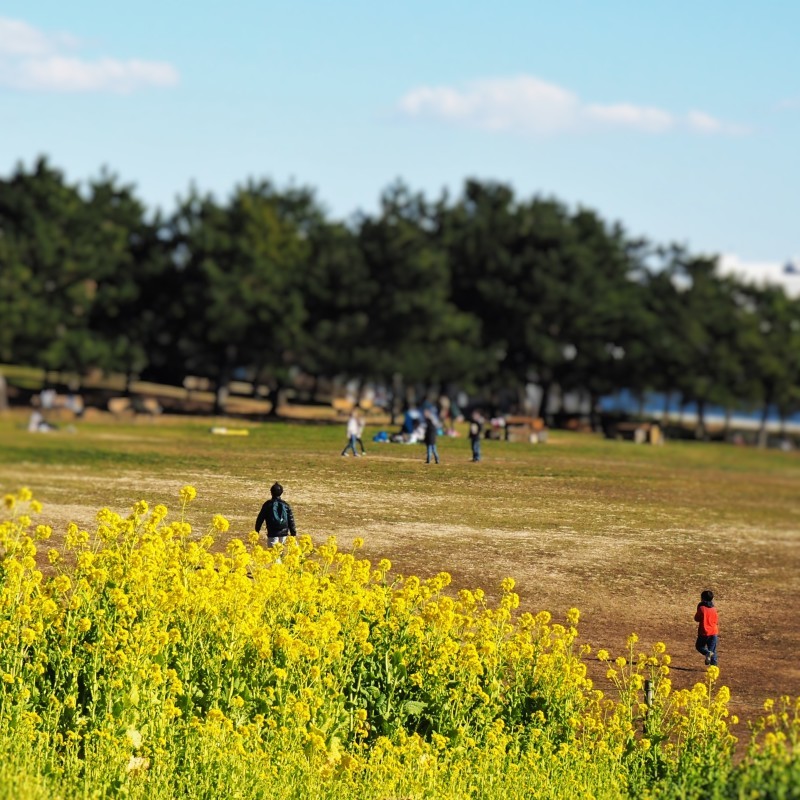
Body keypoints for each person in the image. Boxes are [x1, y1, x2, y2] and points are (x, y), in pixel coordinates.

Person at [255, 482, 297, 549]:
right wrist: (293, 533)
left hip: (272, 533)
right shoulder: (286, 505)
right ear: (281, 493)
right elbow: (291, 520)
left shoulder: (267, 504)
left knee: (273, 553)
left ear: (271, 492)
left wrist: (257, 530)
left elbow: (260, 518)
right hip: (284, 534)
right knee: (281, 554)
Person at [694, 589, 719, 666]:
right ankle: (714, 667)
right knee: (713, 651)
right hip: (714, 632)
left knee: (699, 646)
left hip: (704, 632)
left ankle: (707, 652)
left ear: (703, 598)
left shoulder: (701, 608)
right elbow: (716, 620)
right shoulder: (714, 609)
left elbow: (696, 618)